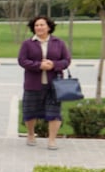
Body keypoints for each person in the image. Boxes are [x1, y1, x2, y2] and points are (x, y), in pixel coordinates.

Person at [17, 15, 71, 150]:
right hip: (33, 83)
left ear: (49, 27)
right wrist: (38, 65)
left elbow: (66, 60)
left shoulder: (59, 42)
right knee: (30, 111)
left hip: (54, 84)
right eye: (36, 25)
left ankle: (52, 140)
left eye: (42, 25)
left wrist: (54, 64)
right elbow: (22, 60)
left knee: (54, 111)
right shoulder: (27, 43)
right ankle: (30, 135)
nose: (39, 27)